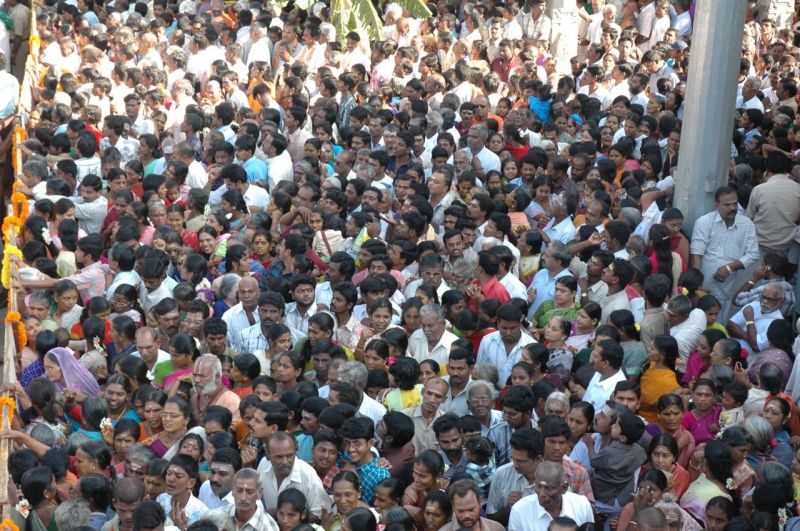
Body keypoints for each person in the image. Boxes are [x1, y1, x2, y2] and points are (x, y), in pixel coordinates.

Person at [507, 461, 594, 531]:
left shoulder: (582, 505)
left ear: (564, 488)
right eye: (538, 486)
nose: (542, 494)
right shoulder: (519, 510)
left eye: (549, 488)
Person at [440, 479, 504, 531]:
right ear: (453, 506)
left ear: (480, 503)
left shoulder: (496, 528)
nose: (466, 516)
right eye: (461, 511)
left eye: (471, 510)